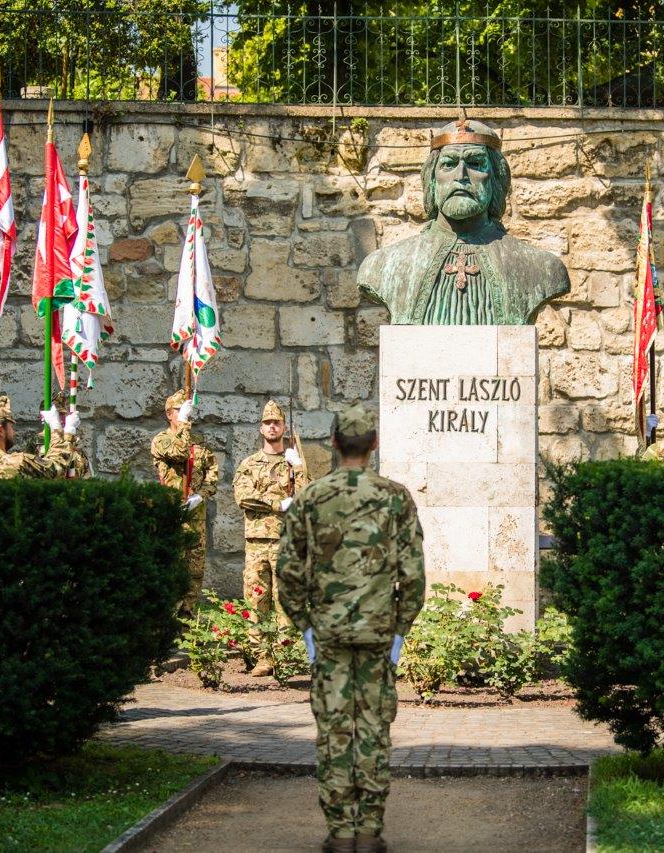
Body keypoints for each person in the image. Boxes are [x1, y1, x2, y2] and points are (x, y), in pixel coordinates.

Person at [277, 405, 426, 853]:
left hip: (329, 635)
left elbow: (288, 572)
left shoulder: (311, 498)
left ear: (334, 443)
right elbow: (413, 575)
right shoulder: (396, 497)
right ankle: (369, 831)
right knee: (375, 730)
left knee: (334, 731)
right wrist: (399, 631)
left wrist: (306, 627)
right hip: (378, 634)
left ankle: (341, 832)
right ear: (373, 444)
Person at [357, 118, 570, 325]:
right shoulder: (382, 266)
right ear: (432, 179)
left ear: (496, 178)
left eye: (475, 163)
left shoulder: (539, 268)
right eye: (449, 164)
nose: (461, 175)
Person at [233, 400, 312, 676]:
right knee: (256, 599)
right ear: (261, 428)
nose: (272, 427)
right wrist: (277, 504)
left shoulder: (293, 463)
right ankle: (262, 657)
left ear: (284, 427)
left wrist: (298, 466)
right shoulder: (249, 464)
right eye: (267, 423)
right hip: (256, 543)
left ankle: (285, 655)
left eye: (276, 422)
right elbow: (244, 497)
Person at [150, 390, 219, 618]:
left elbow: (212, 474)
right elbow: (179, 451)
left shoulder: (198, 443)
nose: (184, 414)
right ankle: (167, 621)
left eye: (185, 410)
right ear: (169, 414)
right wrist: (183, 424)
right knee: (172, 568)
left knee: (195, 571)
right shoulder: (162, 440)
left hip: (195, 517)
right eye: (179, 410)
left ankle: (187, 618)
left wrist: (201, 495)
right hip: (173, 514)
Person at [0, 396, 78, 480]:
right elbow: (55, 467)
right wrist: (61, 430)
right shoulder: (16, 462)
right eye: (10, 426)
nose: (13, 431)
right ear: (0, 430)